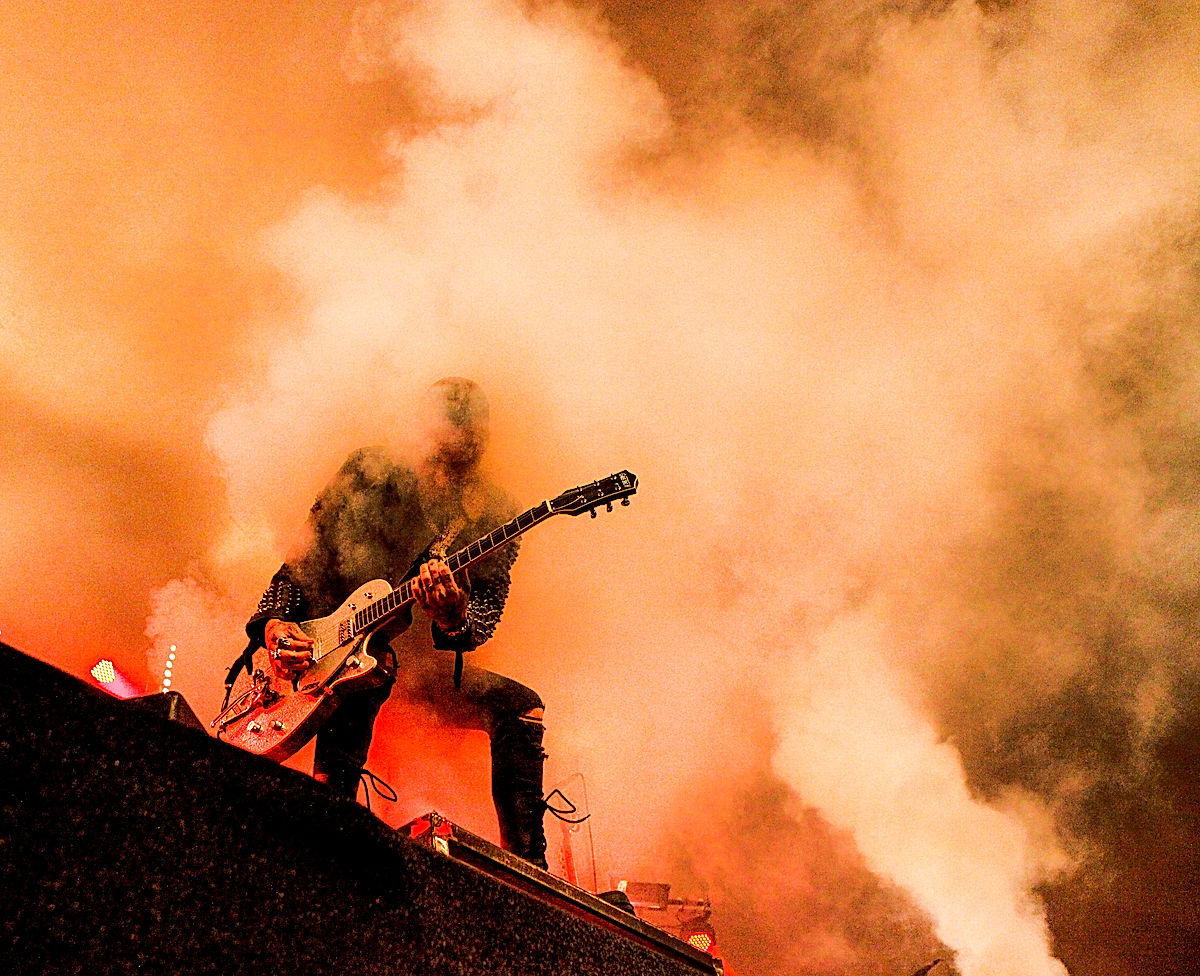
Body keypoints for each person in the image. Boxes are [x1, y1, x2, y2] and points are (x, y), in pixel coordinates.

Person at [243, 377, 548, 868]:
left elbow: (484, 618)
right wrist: (274, 625)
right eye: (446, 431)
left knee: (520, 709)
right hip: (330, 651)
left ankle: (529, 872)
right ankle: (325, 831)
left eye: (470, 435)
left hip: (424, 672)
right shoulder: (369, 473)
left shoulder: (496, 514)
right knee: (368, 670)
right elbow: (301, 564)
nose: (456, 446)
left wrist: (453, 619)